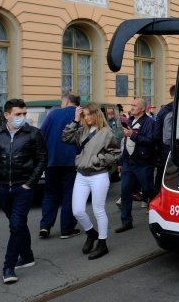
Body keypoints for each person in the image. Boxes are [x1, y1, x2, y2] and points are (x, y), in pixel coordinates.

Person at [0, 99, 47, 284]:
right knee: (18, 224)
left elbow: (42, 159)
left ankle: (8, 267)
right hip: (1, 189)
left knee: (16, 225)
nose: (22, 117)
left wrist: (30, 183)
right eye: (18, 114)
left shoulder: (33, 133)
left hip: (23, 188)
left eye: (24, 114)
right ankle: (28, 256)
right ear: (7, 115)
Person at [62, 102, 120, 259]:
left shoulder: (106, 132)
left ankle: (102, 244)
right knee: (77, 211)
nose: (87, 118)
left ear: (96, 114)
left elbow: (115, 153)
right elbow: (65, 137)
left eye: (89, 114)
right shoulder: (82, 131)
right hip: (81, 175)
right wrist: (75, 120)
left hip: (98, 175)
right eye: (84, 115)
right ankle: (91, 233)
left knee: (98, 210)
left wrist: (97, 160)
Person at [39, 93, 81, 239]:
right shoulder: (80, 114)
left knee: (50, 194)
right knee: (69, 194)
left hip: (51, 160)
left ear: (66, 101)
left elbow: (41, 133)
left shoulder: (53, 113)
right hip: (71, 161)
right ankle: (66, 229)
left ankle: (45, 226)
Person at [115, 98, 155, 233]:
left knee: (149, 191)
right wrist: (121, 162)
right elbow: (124, 143)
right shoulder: (130, 121)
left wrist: (133, 135)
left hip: (143, 162)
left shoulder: (149, 122)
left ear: (143, 109)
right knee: (125, 191)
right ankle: (126, 221)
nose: (132, 107)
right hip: (128, 163)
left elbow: (150, 141)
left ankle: (159, 216)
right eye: (131, 105)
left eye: (135, 105)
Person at [152, 85, 175, 196]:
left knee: (161, 176)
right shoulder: (173, 110)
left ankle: (154, 199)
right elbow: (167, 137)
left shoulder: (163, 111)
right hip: (169, 149)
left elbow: (157, 134)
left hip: (162, 149)